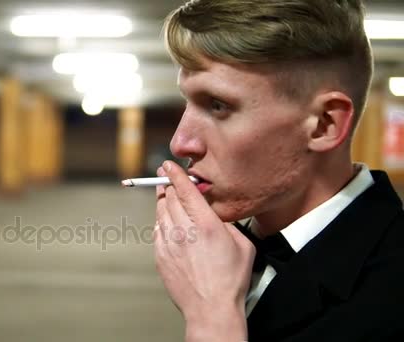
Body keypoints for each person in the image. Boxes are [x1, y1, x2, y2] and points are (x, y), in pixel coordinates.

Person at [153, 0, 404, 341]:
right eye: (188, 102)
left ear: (323, 124)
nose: (181, 142)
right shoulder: (226, 253)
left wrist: (212, 318)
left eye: (218, 105)